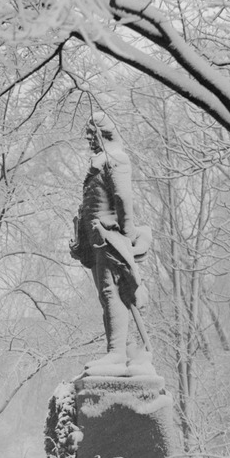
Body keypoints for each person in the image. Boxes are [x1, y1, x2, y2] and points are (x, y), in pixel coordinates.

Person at [69, 112, 155, 377]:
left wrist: (127, 239)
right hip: (94, 241)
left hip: (109, 238)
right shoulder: (100, 162)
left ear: (103, 132)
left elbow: (122, 200)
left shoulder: (116, 159)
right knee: (106, 297)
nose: (88, 139)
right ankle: (125, 351)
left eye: (91, 134)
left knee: (112, 293)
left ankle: (117, 354)